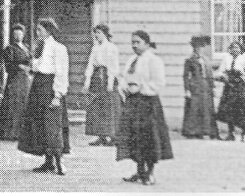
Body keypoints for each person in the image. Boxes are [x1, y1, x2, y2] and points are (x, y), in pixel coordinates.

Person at [116, 30, 174, 186]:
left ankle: (150, 173)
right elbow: (124, 78)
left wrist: (140, 88)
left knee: (149, 138)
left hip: (148, 104)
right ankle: (140, 170)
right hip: (133, 103)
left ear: (147, 44)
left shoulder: (153, 60)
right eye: (132, 42)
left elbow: (158, 82)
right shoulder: (131, 60)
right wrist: (125, 89)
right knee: (135, 137)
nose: (134, 45)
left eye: (138, 42)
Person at [17, 17, 70, 175]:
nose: (37, 32)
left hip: (50, 88)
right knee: (40, 124)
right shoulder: (39, 47)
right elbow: (36, 66)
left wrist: (58, 95)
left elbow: (61, 72)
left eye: (40, 30)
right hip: (38, 86)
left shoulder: (58, 48)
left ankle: (59, 162)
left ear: (48, 31)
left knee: (52, 125)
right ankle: (48, 162)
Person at [83, 24, 120, 146]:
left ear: (105, 33)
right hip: (97, 79)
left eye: (98, 32)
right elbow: (90, 64)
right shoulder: (95, 48)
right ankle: (101, 136)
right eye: (95, 33)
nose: (96, 35)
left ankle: (113, 136)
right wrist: (87, 81)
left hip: (108, 78)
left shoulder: (111, 47)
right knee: (96, 107)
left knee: (109, 108)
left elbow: (112, 66)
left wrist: (110, 83)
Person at [0, 23, 32, 141]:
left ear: (23, 34)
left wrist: (29, 68)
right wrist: (20, 66)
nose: (18, 36)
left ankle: (22, 133)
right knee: (13, 106)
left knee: (24, 104)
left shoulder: (26, 47)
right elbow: (8, 66)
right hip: (15, 80)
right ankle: (10, 133)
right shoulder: (10, 49)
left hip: (25, 80)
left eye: (20, 33)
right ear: (13, 35)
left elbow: (30, 61)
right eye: (15, 34)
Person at [215, 41, 245, 141]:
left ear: (241, 50)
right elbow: (220, 71)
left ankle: (243, 133)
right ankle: (230, 133)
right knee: (229, 110)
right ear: (230, 50)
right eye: (233, 48)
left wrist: (243, 76)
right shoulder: (226, 59)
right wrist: (223, 76)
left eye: (237, 48)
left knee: (242, 109)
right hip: (229, 87)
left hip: (241, 87)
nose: (235, 50)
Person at [182, 35, 219, 139]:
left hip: (206, 87)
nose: (199, 49)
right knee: (194, 109)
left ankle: (206, 131)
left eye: (201, 47)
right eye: (197, 47)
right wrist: (187, 90)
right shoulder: (189, 60)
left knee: (207, 109)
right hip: (195, 86)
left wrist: (213, 87)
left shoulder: (206, 60)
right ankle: (193, 132)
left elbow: (210, 74)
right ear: (194, 48)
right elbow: (185, 76)